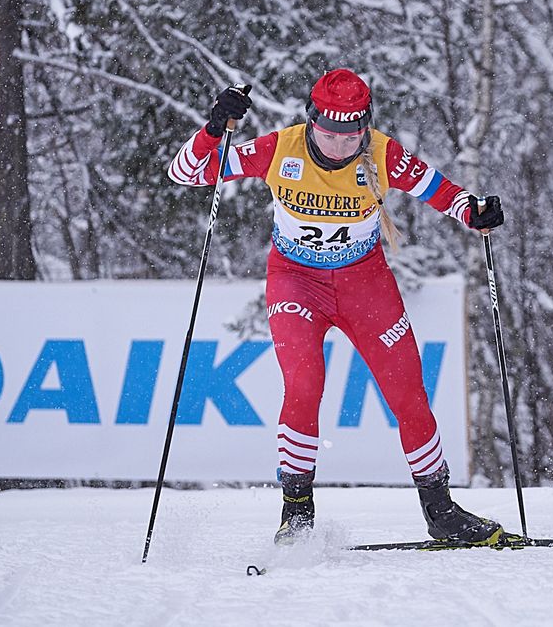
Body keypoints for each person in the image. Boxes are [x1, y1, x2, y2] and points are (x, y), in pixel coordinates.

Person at [168, 69, 506, 545]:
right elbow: (186, 173)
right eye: (329, 134)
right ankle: (297, 512)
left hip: (363, 284)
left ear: (364, 127)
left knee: (408, 391)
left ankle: (440, 509)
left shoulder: (384, 153)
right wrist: (213, 129)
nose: (340, 147)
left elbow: (445, 194)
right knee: (304, 385)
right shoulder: (280, 148)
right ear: (312, 122)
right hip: (296, 283)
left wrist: (475, 211)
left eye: (351, 136)